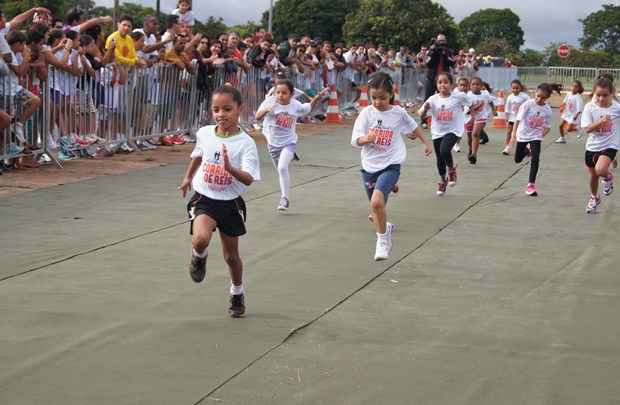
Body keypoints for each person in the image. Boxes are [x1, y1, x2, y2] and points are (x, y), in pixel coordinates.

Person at [179, 85, 261, 318]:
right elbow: (198, 155)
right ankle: (199, 257)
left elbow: (248, 179)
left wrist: (230, 169)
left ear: (239, 109)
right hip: (205, 197)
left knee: (231, 256)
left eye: (227, 109)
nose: (221, 114)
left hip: (230, 203)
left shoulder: (246, 143)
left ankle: (237, 291)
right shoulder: (205, 133)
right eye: (216, 109)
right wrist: (187, 178)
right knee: (201, 238)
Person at [351, 72, 432, 261]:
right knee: (377, 209)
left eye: (382, 98)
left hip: (391, 163)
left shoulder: (398, 113)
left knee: (377, 203)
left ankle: (382, 241)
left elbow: (413, 126)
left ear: (391, 95)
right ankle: (385, 225)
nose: (378, 102)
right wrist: (366, 139)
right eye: (374, 98)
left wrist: (426, 142)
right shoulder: (366, 114)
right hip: (369, 166)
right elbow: (355, 140)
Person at [255, 79, 328, 211]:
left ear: (291, 94)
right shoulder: (270, 102)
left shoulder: (295, 105)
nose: (280, 95)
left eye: (284, 93)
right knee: (279, 170)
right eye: (278, 92)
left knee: (283, 168)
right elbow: (257, 117)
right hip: (273, 144)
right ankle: (289, 156)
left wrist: (316, 98)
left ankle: (285, 199)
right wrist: (266, 110)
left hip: (289, 142)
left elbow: (307, 108)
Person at [420, 72, 473, 195]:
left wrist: (471, 113)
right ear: (436, 85)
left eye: (445, 82)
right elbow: (421, 114)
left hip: (453, 130)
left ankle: (452, 170)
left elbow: (470, 104)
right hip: (437, 131)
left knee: (445, 151)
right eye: (440, 82)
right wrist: (425, 110)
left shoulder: (458, 97)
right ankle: (443, 180)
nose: (442, 85)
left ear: (451, 84)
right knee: (439, 158)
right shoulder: (432, 99)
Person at [581, 77, 620, 214]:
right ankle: (594, 197)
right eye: (598, 95)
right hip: (592, 146)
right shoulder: (590, 107)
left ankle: (608, 178)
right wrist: (601, 122)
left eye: (605, 95)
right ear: (594, 93)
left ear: (612, 94)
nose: (601, 98)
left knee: (600, 169)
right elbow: (587, 129)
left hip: (610, 145)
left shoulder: (617, 107)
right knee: (593, 176)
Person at [511, 83, 553, 197]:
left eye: (543, 97)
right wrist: (513, 135)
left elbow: (548, 127)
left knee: (535, 158)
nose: (539, 99)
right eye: (538, 96)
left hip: (535, 137)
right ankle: (526, 150)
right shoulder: (527, 105)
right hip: (522, 135)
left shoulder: (548, 110)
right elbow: (517, 120)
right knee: (517, 159)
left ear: (547, 98)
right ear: (535, 93)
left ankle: (531, 184)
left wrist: (540, 136)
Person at [466, 77, 494, 164]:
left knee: (475, 134)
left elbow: (491, 102)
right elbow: (464, 106)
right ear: (470, 86)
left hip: (481, 117)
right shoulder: (468, 95)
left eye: (478, 84)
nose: (475, 86)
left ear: (482, 86)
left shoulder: (485, 94)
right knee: (470, 136)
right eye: (473, 84)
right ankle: (471, 150)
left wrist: (494, 110)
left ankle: (474, 154)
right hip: (469, 118)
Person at [424, 34, 455, 101]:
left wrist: (445, 55)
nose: (441, 42)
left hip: (444, 79)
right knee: (428, 98)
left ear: (446, 41)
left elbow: (453, 63)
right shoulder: (432, 50)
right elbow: (427, 64)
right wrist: (434, 53)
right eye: (440, 41)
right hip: (432, 77)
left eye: (443, 41)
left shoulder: (449, 51)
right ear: (437, 41)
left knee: (443, 97)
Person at [503, 79, 529, 155]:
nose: (515, 90)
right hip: (512, 118)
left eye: (517, 88)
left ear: (520, 88)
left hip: (521, 119)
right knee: (509, 133)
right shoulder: (510, 97)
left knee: (519, 135)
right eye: (513, 88)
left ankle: (526, 148)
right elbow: (507, 109)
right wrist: (506, 118)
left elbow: (530, 106)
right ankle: (507, 148)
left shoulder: (525, 97)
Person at [555, 80, 584, 144]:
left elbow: (580, 108)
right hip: (567, 113)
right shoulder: (568, 94)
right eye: (573, 86)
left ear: (579, 89)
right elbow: (564, 102)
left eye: (576, 87)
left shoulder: (578, 97)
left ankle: (578, 129)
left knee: (568, 129)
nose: (574, 88)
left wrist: (576, 115)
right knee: (560, 126)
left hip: (573, 115)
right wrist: (562, 107)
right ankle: (562, 138)